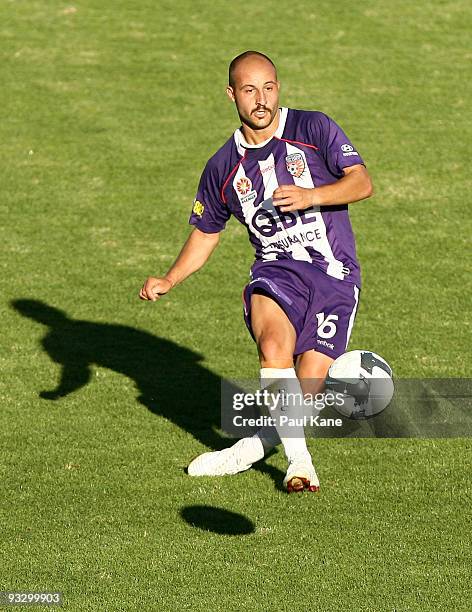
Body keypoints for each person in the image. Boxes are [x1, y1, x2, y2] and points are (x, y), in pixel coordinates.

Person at [139, 51, 373, 493]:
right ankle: (299, 465)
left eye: (267, 88)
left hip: (334, 276)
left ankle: (252, 447)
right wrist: (170, 278)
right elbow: (206, 232)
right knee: (273, 346)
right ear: (232, 95)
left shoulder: (313, 128)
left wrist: (311, 197)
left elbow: (362, 182)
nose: (260, 99)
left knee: (303, 397)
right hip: (276, 272)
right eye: (249, 90)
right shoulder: (223, 167)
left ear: (278, 88)